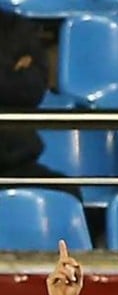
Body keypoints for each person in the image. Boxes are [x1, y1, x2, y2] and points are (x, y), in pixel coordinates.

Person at [0, 10, 81, 200]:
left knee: (66, 196)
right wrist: (10, 69)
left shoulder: (15, 26)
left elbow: (32, 88)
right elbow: (16, 84)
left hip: (16, 162)